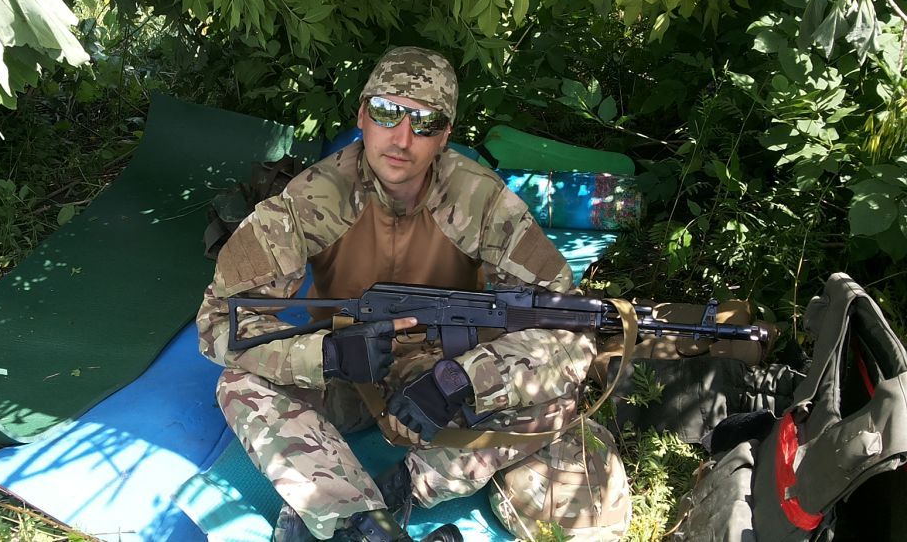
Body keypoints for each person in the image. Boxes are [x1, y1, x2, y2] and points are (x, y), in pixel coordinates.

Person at [196, 47, 631, 542]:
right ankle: (362, 522)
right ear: (363, 115)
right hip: (346, 372)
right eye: (387, 112)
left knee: (555, 395)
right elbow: (219, 322)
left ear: (445, 136)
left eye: (425, 123)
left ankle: (404, 488)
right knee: (242, 383)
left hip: (442, 372)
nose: (402, 138)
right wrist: (325, 355)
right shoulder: (312, 198)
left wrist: (464, 379)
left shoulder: (483, 202)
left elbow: (566, 326)